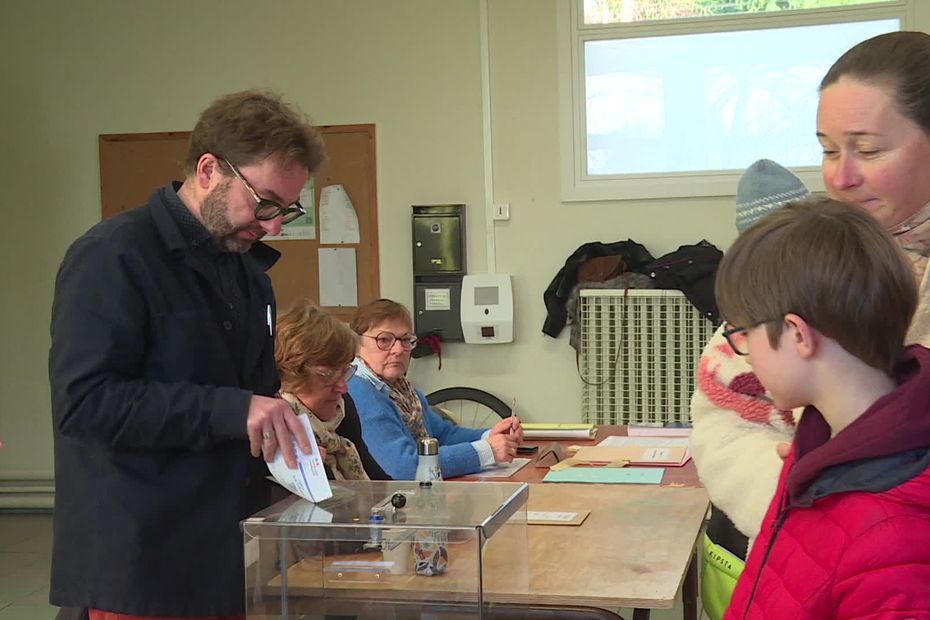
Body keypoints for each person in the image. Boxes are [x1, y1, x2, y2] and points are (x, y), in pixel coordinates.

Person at [48, 90, 325, 618]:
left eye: (286, 211)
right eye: (265, 201)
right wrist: (233, 409)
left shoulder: (249, 277)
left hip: (226, 559)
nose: (272, 225)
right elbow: (85, 403)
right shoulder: (113, 257)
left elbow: (252, 400)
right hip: (142, 564)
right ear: (208, 170)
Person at [690, 30, 930, 555]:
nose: (841, 177)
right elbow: (725, 409)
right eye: (827, 150)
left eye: (869, 149)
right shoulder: (816, 255)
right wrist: (799, 496)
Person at [716, 197, 930, 617]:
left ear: (797, 334)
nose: (744, 353)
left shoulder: (893, 539)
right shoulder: (817, 451)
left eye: (743, 333)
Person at [346, 298, 522, 479]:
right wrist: (487, 451)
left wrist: (490, 435)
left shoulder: (404, 390)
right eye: (384, 340)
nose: (398, 350)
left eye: (405, 340)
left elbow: (442, 435)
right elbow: (405, 468)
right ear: (357, 344)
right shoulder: (358, 391)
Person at [274, 298, 390, 480]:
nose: (343, 388)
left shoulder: (342, 410)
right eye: (328, 375)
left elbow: (380, 483)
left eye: (344, 372)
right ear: (289, 374)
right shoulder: (272, 430)